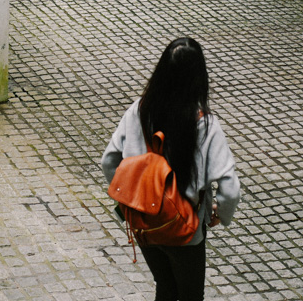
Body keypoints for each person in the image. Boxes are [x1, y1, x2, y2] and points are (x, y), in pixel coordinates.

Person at [101, 36, 241, 301]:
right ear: (199, 79)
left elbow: (109, 161)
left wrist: (131, 201)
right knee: (190, 295)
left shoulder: (138, 111)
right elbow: (230, 189)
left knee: (165, 286)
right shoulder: (205, 125)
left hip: (145, 225)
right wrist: (221, 214)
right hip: (185, 230)